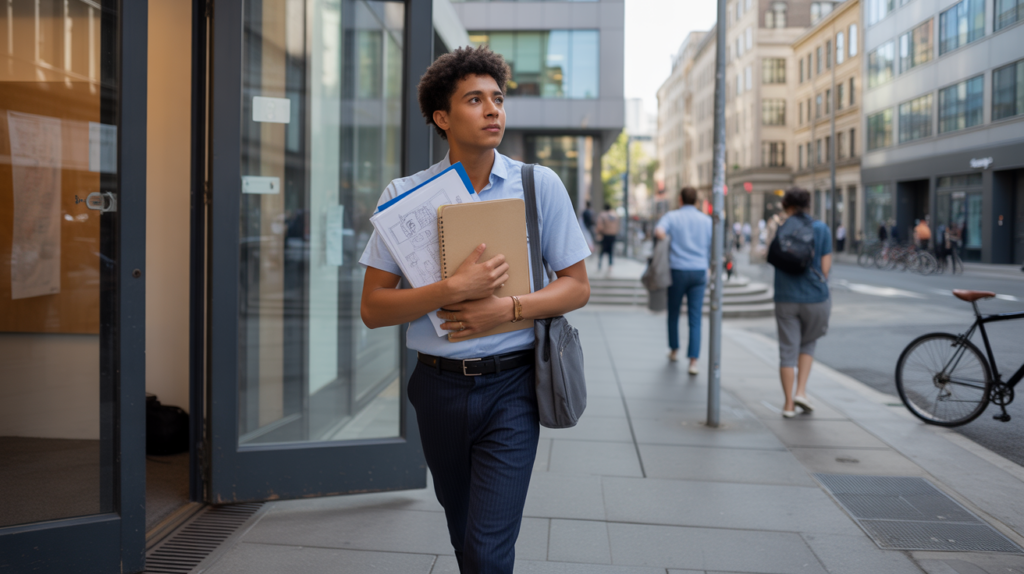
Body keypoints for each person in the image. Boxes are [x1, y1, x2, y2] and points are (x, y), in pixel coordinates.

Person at [358, 46, 591, 574]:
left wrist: (505, 309)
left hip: (513, 388)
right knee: (466, 537)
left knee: (487, 552)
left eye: (498, 99)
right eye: (475, 99)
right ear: (442, 117)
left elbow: (576, 287)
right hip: (437, 390)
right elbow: (373, 308)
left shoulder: (538, 185)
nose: (494, 110)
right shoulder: (406, 196)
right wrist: (451, 288)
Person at [771, 188, 832, 419]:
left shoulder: (782, 227)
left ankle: (788, 405)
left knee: (787, 351)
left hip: (785, 297)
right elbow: (825, 269)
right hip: (815, 297)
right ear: (808, 204)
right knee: (808, 344)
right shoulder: (821, 228)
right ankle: (801, 392)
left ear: (787, 205)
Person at [655, 187, 712, 375]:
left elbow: (659, 232)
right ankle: (693, 362)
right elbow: (713, 244)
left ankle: (674, 350)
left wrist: (671, 240)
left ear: (680, 199)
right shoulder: (706, 220)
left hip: (678, 269)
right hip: (699, 271)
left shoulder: (672, 217)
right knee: (695, 318)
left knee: (673, 312)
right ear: (696, 200)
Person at [596, 203, 620, 271]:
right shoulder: (615, 215)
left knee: (602, 251)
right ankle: (610, 266)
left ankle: (599, 264)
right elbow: (618, 225)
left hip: (605, 235)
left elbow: (599, 226)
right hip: (613, 235)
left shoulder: (602, 215)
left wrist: (598, 233)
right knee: (611, 251)